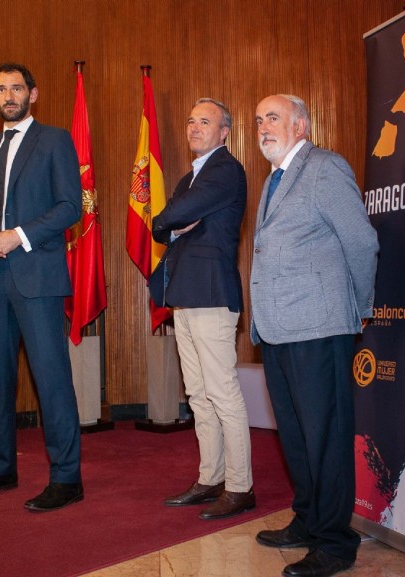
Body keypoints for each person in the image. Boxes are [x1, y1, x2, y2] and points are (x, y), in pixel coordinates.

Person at [249, 94, 379, 577]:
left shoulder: (325, 168)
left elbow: (362, 241)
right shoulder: (276, 177)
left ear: (300, 125)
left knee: (325, 437)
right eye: (259, 119)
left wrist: (359, 307)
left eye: (273, 117)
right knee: (299, 437)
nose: (263, 126)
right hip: (280, 329)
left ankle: (334, 542)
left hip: (319, 326)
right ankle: (307, 519)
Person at [0, 62, 83, 512]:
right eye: (1, 89)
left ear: (33, 94)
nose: (9, 95)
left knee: (51, 378)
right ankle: (1, 467)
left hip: (37, 275)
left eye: (17, 88)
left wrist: (18, 236)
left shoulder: (54, 140)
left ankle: (67, 477)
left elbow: (70, 205)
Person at [149, 98, 254, 520]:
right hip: (185, 295)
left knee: (223, 392)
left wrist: (171, 221)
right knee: (198, 394)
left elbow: (170, 217)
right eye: (191, 120)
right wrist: (171, 221)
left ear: (224, 131)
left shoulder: (226, 170)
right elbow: (165, 222)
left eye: (204, 121)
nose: (194, 127)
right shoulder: (188, 176)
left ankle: (241, 485)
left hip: (212, 294)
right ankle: (210, 477)